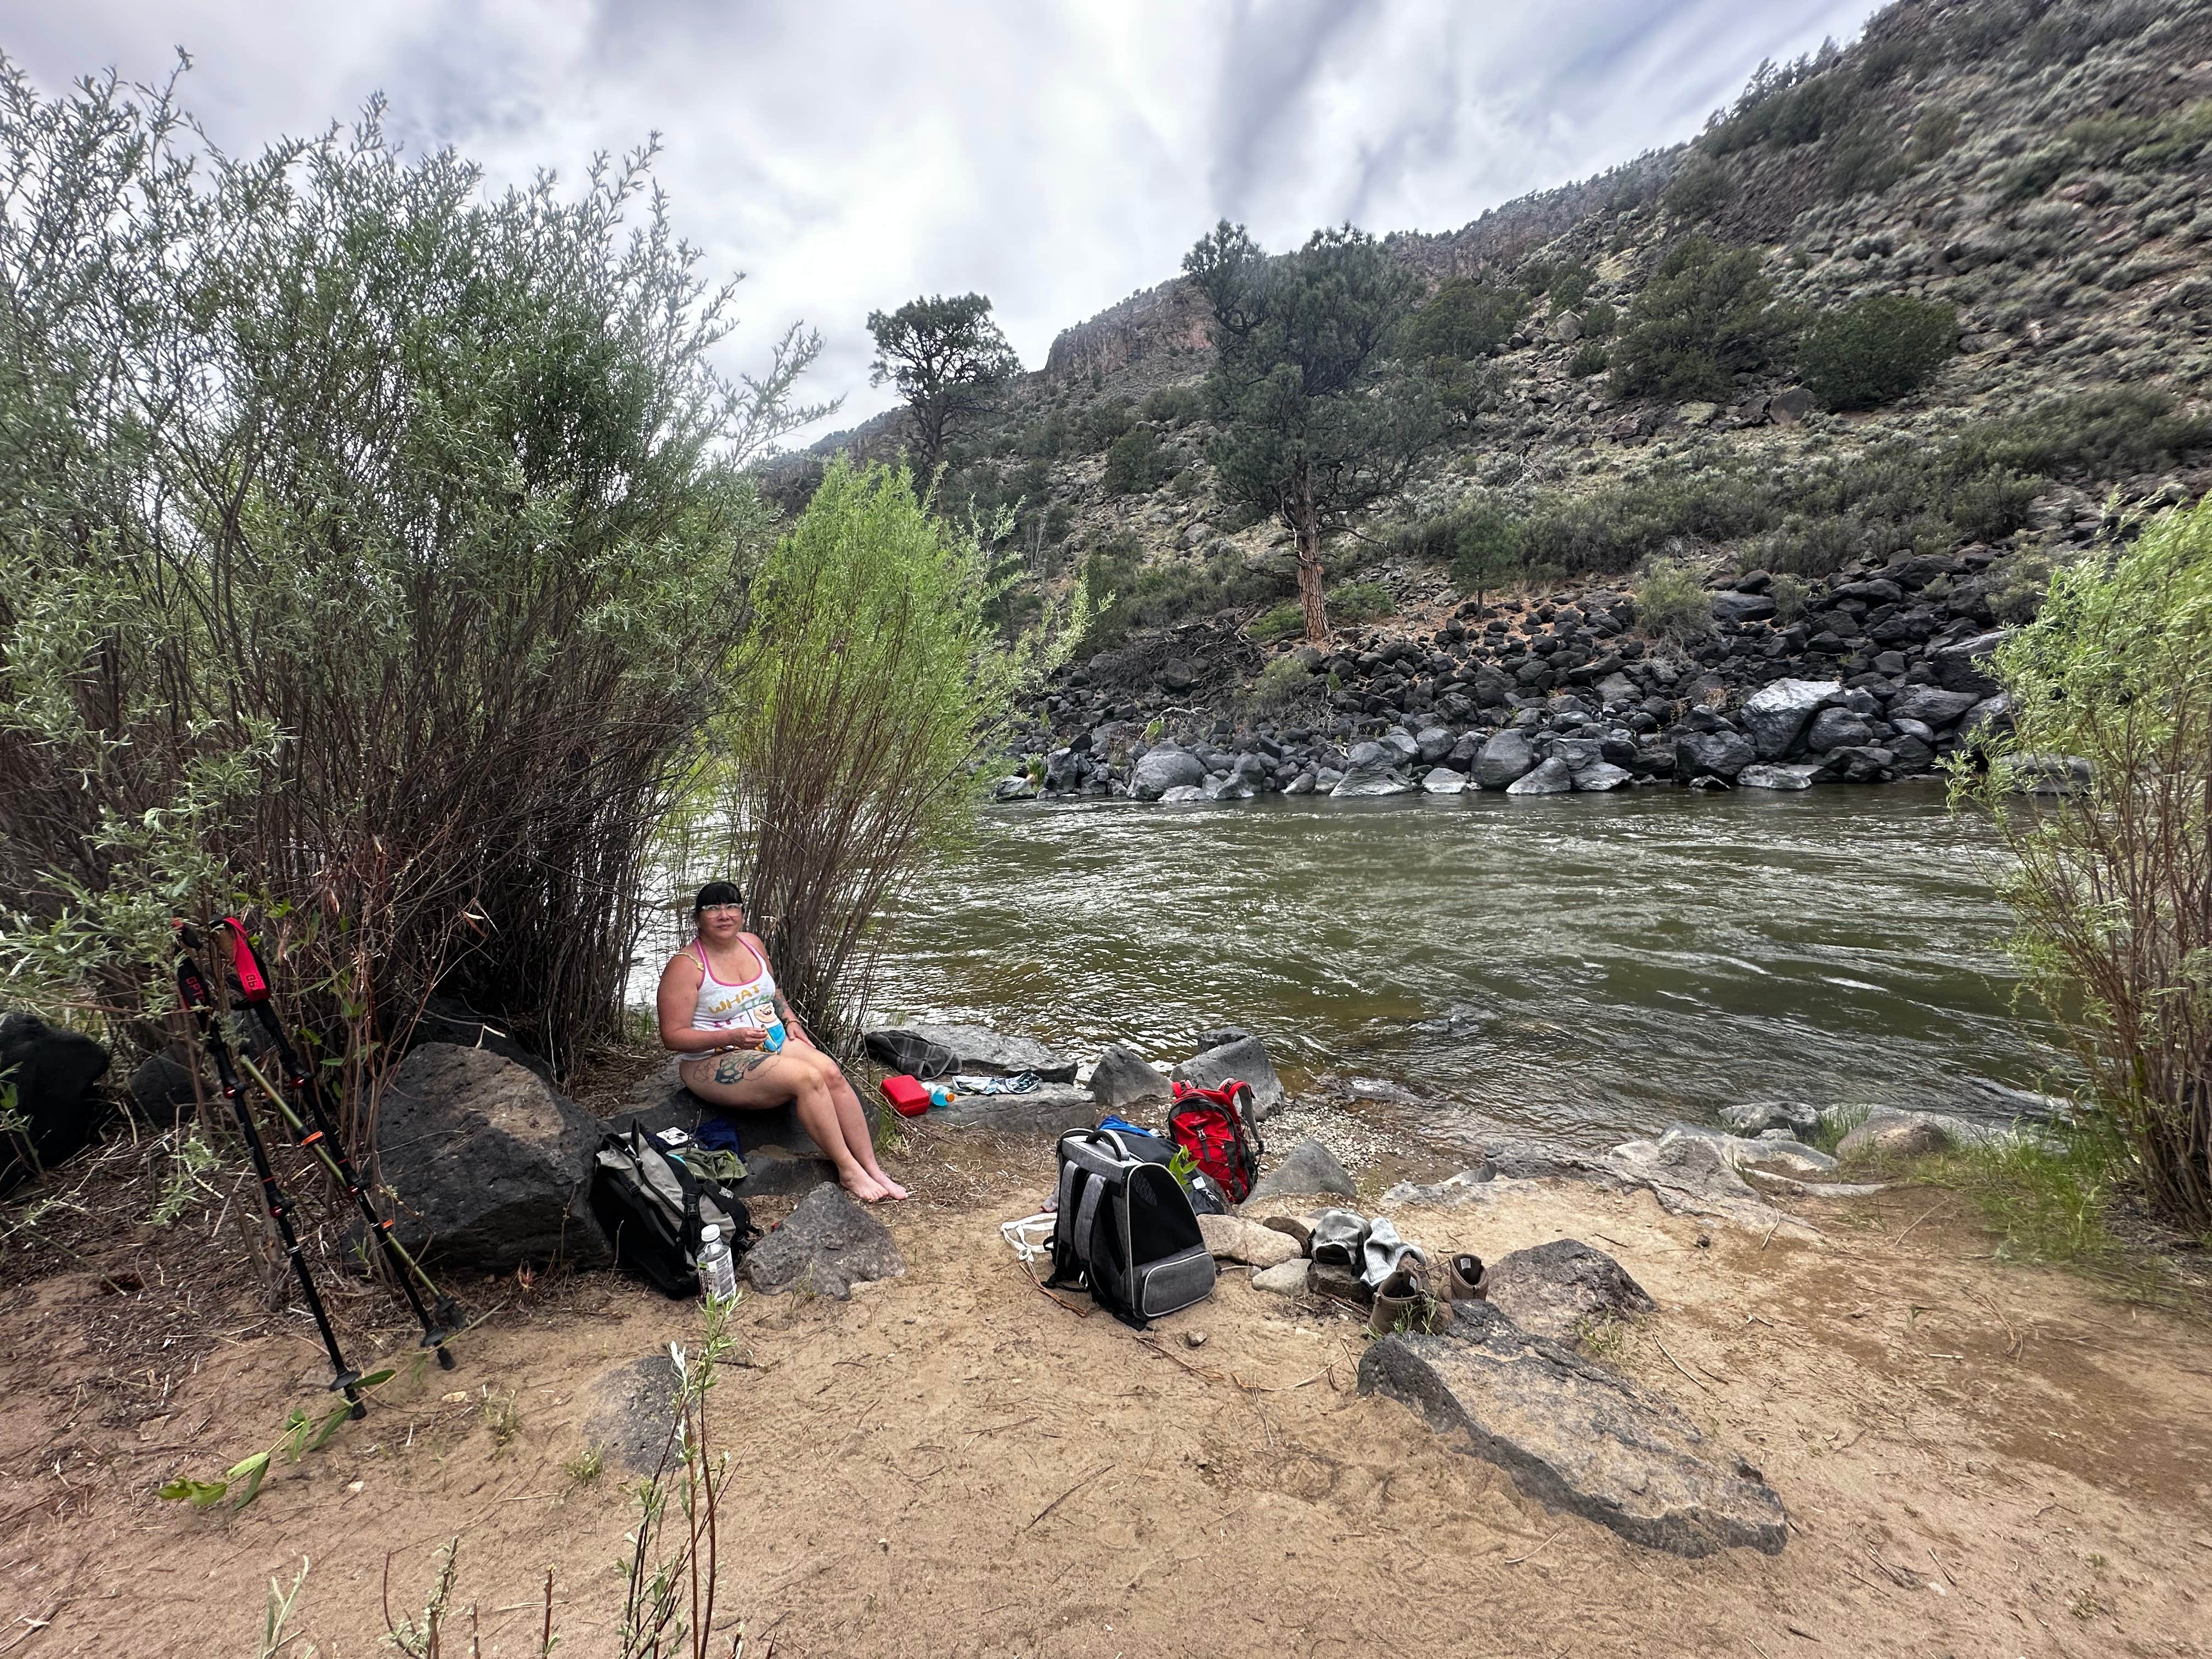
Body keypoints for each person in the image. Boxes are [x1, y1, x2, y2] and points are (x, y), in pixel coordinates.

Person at [656, 881, 909, 1203]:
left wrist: (790, 1020)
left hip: (769, 1038)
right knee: (806, 1079)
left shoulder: (752, 944)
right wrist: (731, 1036)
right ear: (698, 918)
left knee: (830, 1072)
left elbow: (772, 991)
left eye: (731, 907)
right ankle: (848, 1169)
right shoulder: (686, 966)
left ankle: (871, 1166)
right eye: (712, 909)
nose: (724, 915)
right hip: (714, 1058)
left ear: (742, 914)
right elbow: (672, 1036)